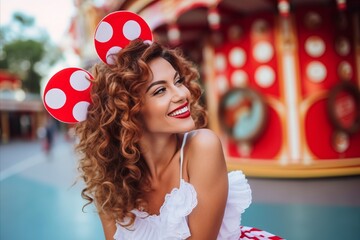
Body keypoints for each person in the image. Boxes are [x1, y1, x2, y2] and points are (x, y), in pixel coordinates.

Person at [74, 39, 282, 240]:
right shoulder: (111, 185)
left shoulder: (201, 147)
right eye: (160, 90)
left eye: (178, 81)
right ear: (127, 111)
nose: (182, 94)